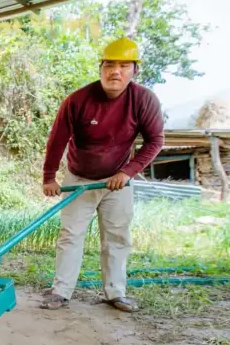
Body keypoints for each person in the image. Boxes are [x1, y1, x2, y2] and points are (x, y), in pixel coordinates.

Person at [39, 37, 165, 313]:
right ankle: (61, 291)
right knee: (71, 234)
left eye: (123, 65)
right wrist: (49, 177)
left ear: (134, 71)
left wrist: (127, 172)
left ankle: (115, 293)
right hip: (79, 179)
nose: (115, 71)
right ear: (100, 68)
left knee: (117, 236)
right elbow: (57, 140)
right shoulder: (78, 100)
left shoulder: (143, 100)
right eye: (109, 64)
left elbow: (155, 141)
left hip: (117, 182)